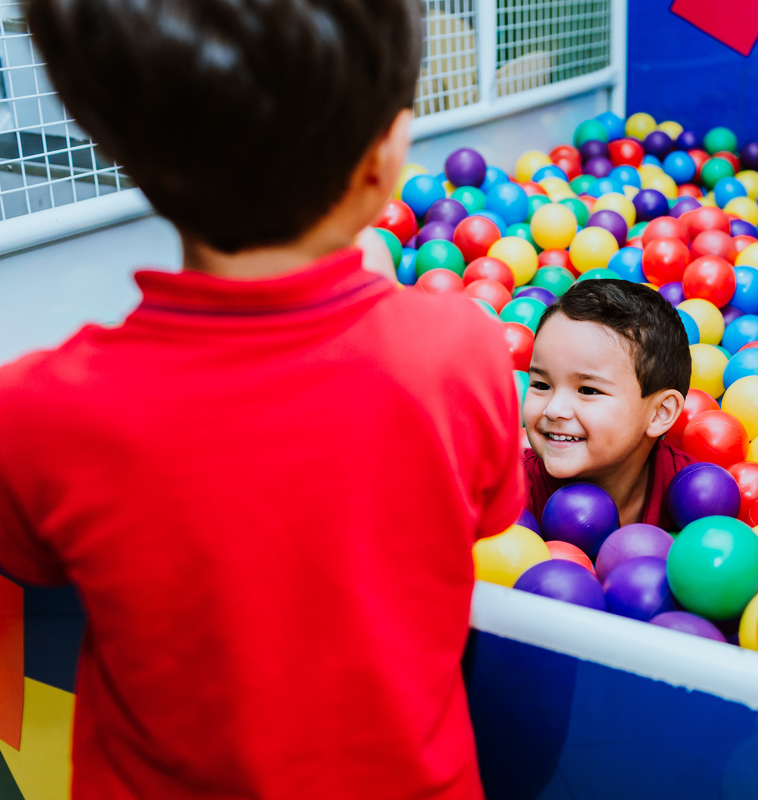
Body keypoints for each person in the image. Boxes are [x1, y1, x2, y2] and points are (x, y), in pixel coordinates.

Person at [1, 1, 523, 798]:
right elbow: (481, 515)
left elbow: (31, 566)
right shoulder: (461, 349)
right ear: (386, 159)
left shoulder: (39, 411)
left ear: (118, 151)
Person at [523, 280, 694, 529]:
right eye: (541, 385)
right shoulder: (506, 497)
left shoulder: (693, 491)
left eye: (588, 390)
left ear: (659, 413)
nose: (553, 409)